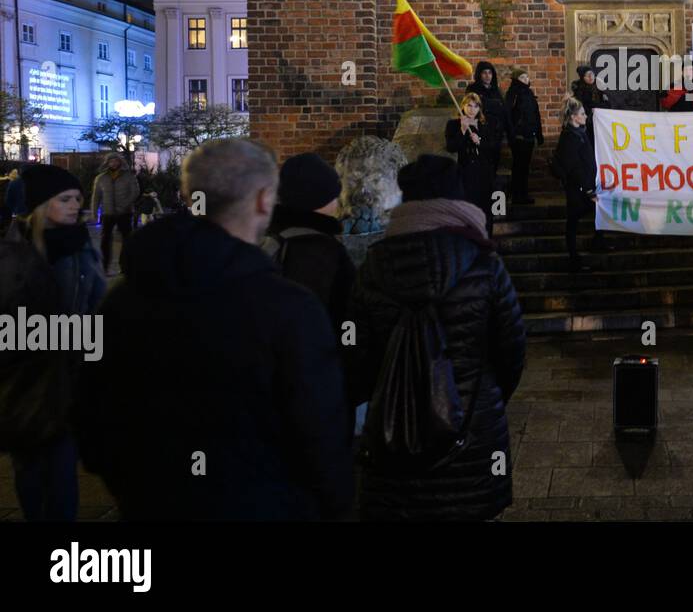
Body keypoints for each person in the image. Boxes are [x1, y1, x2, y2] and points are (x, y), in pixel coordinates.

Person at [74, 138, 353, 520]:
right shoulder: (287, 308)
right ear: (261, 200)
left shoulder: (122, 302)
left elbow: (92, 420)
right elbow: (320, 431)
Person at [347, 154, 526, 521]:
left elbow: (358, 359)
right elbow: (512, 351)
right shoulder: (484, 264)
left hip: (393, 446)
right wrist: (482, 398)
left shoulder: (372, 267)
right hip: (471, 439)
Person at [0, 164, 105, 521]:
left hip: (68, 377)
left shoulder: (82, 249)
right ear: (42, 204)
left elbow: (96, 308)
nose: (76, 205)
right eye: (65, 199)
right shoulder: (12, 255)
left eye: (78, 197)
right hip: (25, 379)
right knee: (29, 467)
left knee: (62, 467)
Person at [263, 152, 356, 334]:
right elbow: (348, 319)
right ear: (321, 199)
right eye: (334, 196)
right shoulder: (330, 252)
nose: (338, 203)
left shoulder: (267, 243)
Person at [556, 97, 607, 273]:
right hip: (577, 188)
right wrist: (588, 189)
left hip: (583, 186)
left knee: (591, 214)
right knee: (573, 222)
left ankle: (597, 242)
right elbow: (574, 167)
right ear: (574, 117)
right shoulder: (570, 137)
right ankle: (574, 259)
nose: (585, 116)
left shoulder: (580, 132)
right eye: (583, 114)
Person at [445, 93, 497, 237]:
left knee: (485, 209)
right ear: (462, 106)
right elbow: (451, 147)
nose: (472, 109)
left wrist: (479, 141)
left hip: (483, 173)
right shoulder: (453, 124)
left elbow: (493, 147)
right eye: (469, 105)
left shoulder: (485, 125)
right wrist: (462, 130)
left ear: (479, 108)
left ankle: (486, 239)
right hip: (465, 173)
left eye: (475, 106)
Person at [90, 153, 139, 273]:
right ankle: (104, 266)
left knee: (127, 240)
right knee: (105, 240)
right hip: (108, 212)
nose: (114, 163)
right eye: (111, 161)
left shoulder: (129, 176)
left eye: (116, 161)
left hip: (125, 213)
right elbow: (96, 196)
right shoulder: (101, 178)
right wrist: (94, 211)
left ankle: (125, 266)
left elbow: (135, 192)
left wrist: (125, 205)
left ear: (120, 162)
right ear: (107, 163)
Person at [505, 67, 544, 206]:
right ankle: (517, 195)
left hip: (529, 136)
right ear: (516, 80)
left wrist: (539, 135)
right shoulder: (513, 94)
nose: (525, 80)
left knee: (525, 167)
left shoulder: (529, 94)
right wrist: (513, 134)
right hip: (519, 137)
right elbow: (508, 116)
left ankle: (523, 194)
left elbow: (535, 115)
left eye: (526, 77)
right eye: (522, 78)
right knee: (518, 167)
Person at [466, 61, 511, 173]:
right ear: (479, 74)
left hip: (496, 135)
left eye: (490, 73)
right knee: (481, 168)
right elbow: (472, 109)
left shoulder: (496, 90)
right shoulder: (473, 89)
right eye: (484, 73)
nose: (487, 76)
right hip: (479, 134)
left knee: (494, 166)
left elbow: (503, 111)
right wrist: (494, 105)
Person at [571, 65, 610, 139]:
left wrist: (596, 107)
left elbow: (608, 105)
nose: (590, 77)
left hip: (599, 122)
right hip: (586, 123)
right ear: (582, 77)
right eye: (587, 75)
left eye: (592, 74)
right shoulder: (579, 89)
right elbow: (582, 105)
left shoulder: (600, 86)